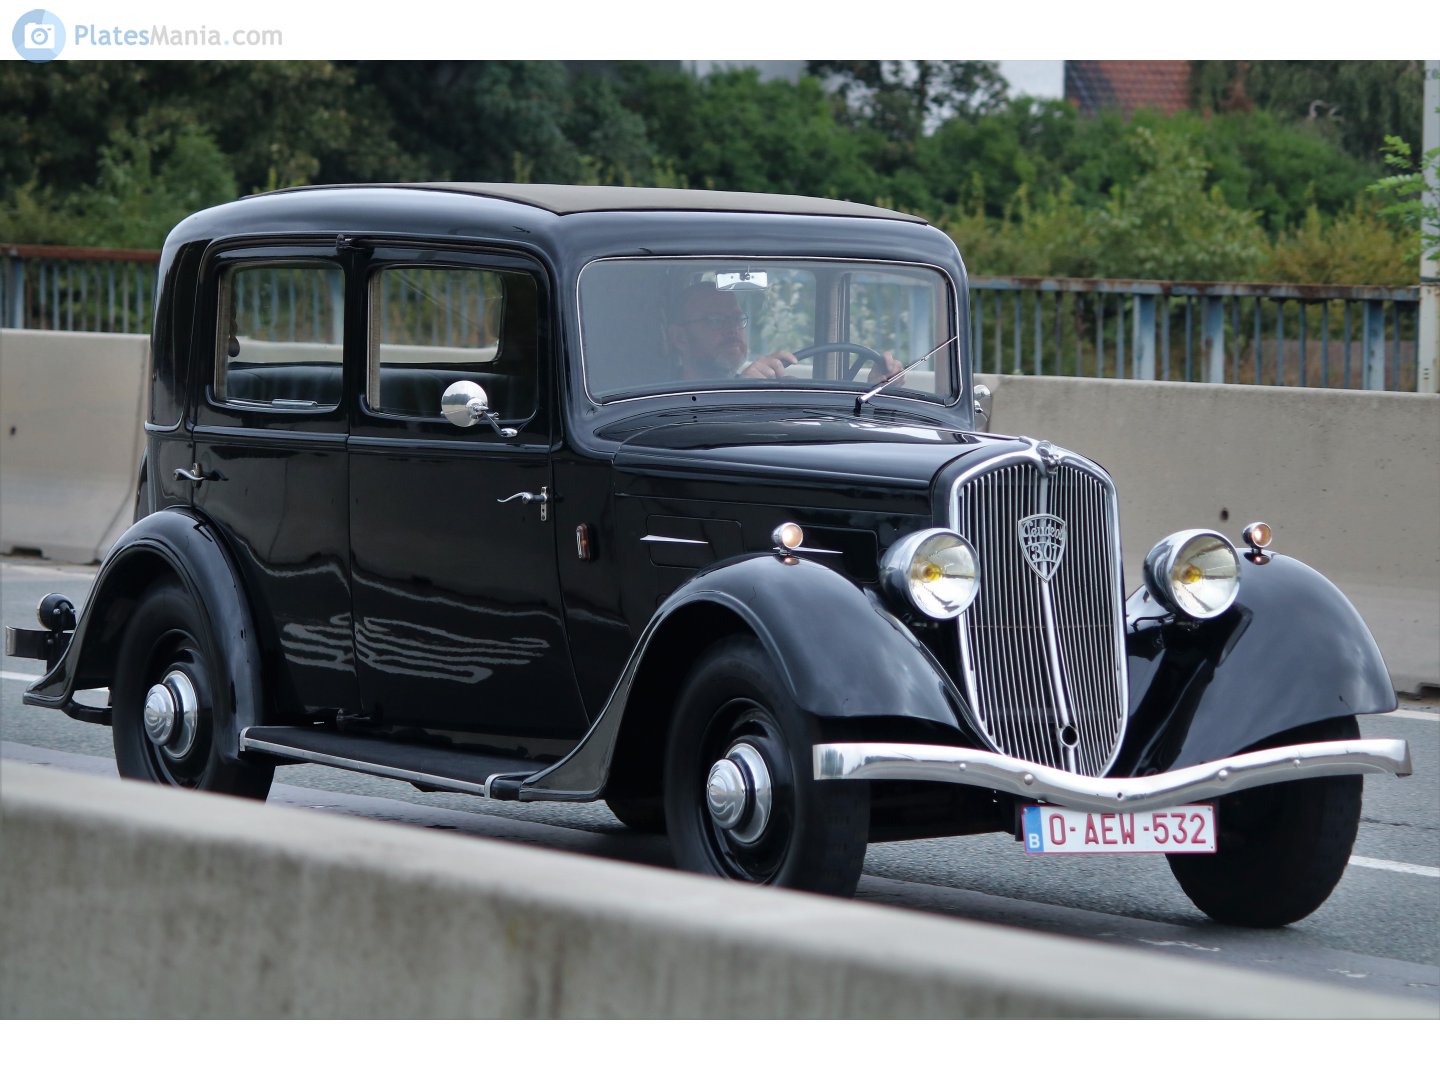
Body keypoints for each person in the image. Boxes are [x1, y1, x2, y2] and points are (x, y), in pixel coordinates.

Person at [665, 284, 903, 384]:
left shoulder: (772, 383)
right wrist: (743, 391)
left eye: (737, 319)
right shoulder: (662, 401)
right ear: (680, 338)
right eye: (715, 320)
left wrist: (874, 389)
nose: (732, 329)